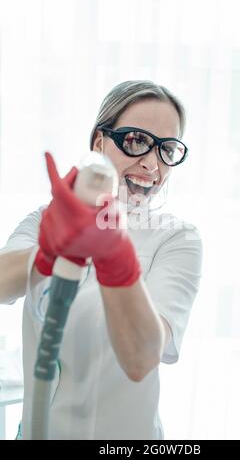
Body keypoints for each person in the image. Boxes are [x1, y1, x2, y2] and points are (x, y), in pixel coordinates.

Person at [0, 80, 203, 440]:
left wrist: (115, 257)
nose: (152, 164)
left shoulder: (178, 238)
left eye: (167, 149)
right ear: (99, 142)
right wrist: (46, 254)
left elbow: (141, 359)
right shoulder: (45, 219)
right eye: (137, 140)